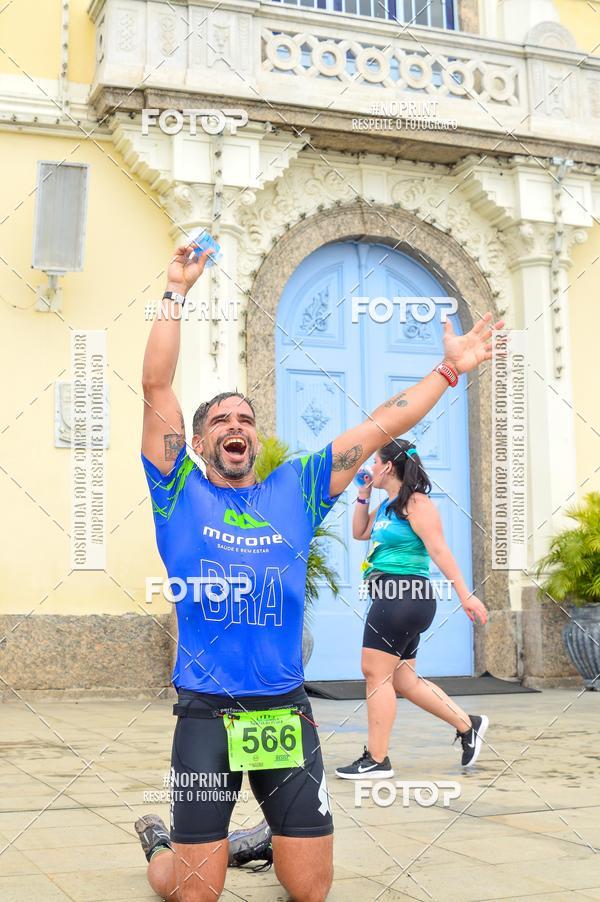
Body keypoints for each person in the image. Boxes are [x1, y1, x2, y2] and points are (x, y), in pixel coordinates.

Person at [135, 241, 503, 901]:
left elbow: (381, 422)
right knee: (192, 890)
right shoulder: (177, 492)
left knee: (309, 891)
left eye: (246, 417)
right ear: (197, 444)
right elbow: (157, 385)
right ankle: (161, 841)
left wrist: (448, 373)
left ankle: (264, 838)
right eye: (220, 420)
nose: (235, 425)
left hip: (282, 710)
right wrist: (175, 290)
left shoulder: (297, 489)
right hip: (205, 718)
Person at [335, 438, 489, 781]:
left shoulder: (416, 503)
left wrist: (466, 595)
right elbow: (360, 532)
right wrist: (363, 494)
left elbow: (439, 550)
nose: (371, 468)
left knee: (374, 672)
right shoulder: (390, 504)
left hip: (403, 595)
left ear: (388, 467)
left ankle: (377, 759)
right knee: (403, 679)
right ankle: (468, 725)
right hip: (394, 596)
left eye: (375, 462)